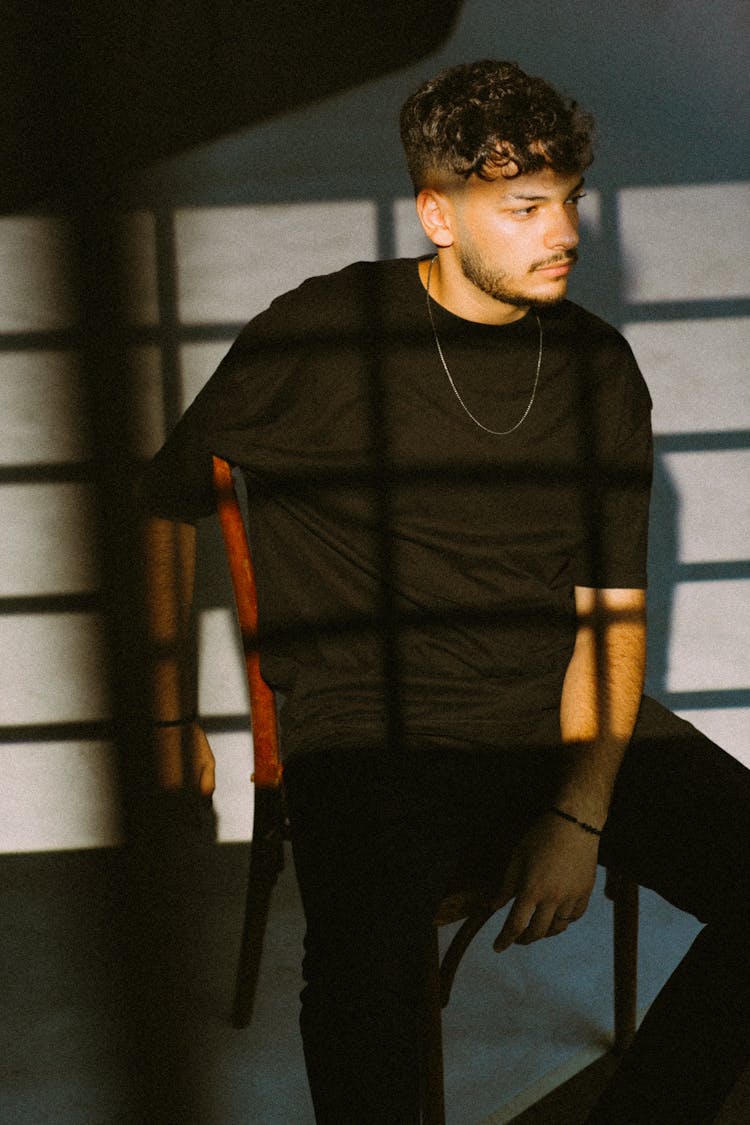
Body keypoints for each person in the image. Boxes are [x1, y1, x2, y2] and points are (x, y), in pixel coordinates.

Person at [140, 60, 749, 1124]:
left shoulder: (598, 371)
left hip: (545, 713)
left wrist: (578, 809)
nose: (560, 232)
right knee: (361, 996)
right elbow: (161, 501)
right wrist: (164, 715)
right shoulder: (323, 335)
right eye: (523, 208)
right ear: (437, 214)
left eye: (566, 201)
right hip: (370, 737)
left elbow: (609, 620)